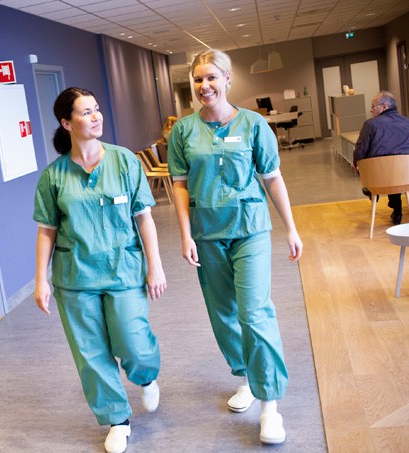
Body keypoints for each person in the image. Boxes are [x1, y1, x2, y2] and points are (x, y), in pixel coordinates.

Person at [167, 49, 303, 445]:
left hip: (250, 230)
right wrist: (185, 233)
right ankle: (244, 376)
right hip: (208, 234)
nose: (204, 86)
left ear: (227, 79)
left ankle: (270, 405)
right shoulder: (183, 132)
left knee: (254, 313)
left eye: (211, 77)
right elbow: (179, 184)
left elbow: (272, 178)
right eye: (197, 80)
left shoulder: (254, 124)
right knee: (223, 313)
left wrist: (291, 228)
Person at [33, 87, 167, 453]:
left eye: (96, 110)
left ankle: (146, 376)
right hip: (76, 278)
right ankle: (117, 420)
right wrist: (40, 279)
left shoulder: (124, 162)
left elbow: (144, 217)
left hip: (123, 271)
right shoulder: (54, 176)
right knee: (91, 353)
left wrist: (154, 267)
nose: (95, 117)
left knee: (133, 342)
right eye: (85, 112)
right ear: (66, 122)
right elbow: (47, 229)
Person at [353, 91, 409, 225]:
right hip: (407, 176)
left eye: (373, 106)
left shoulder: (371, 124)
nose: (371, 109)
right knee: (393, 167)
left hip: (379, 178)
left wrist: (356, 164)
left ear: (384, 106)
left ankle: (369, 189)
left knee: (383, 166)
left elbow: (360, 150)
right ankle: (397, 211)